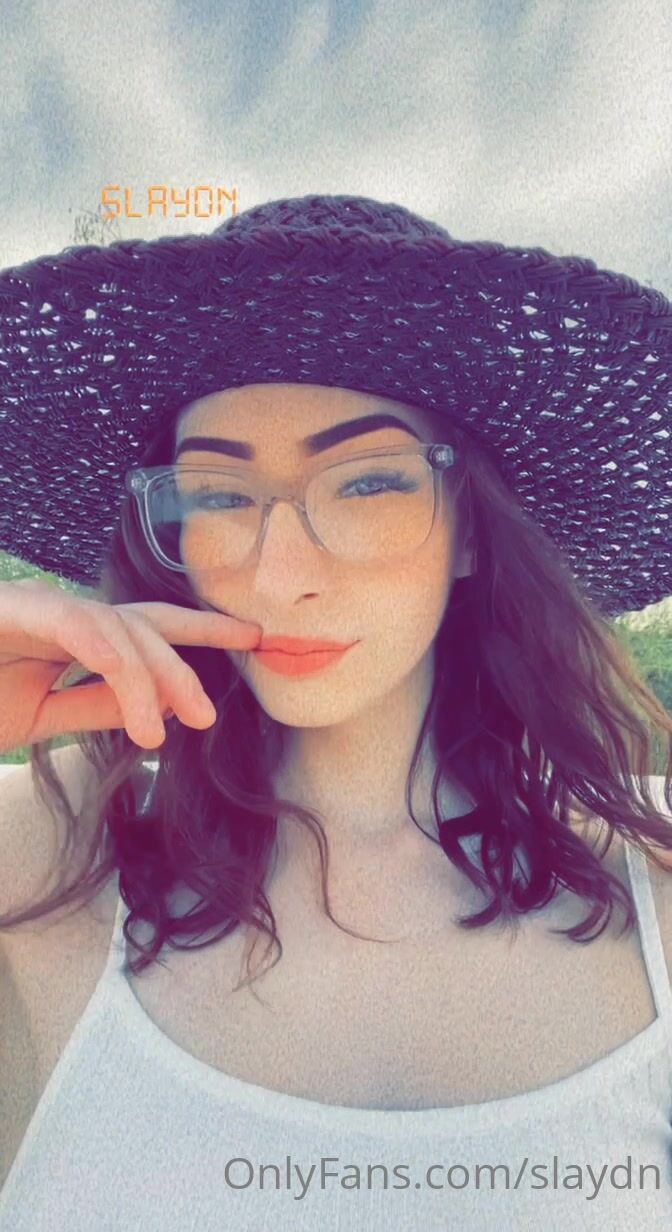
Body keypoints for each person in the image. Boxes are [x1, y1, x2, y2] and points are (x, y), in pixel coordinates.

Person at [0, 193, 671, 1229]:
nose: (280, 574)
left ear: (473, 529)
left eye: (365, 485)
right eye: (218, 494)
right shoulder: (54, 853)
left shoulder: (653, 892)